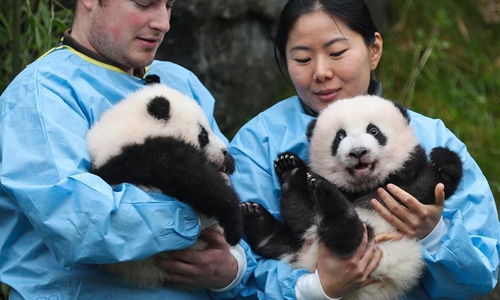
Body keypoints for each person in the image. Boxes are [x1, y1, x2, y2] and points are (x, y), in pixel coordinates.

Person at [229, 0, 500, 299]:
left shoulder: (431, 136)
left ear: (374, 50)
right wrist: (314, 289)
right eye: (303, 59)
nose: (321, 72)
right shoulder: (259, 141)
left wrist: (434, 235)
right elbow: (234, 273)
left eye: (337, 53)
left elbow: (481, 274)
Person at [0, 0, 256, 299]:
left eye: (169, 5)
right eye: (145, 3)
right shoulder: (42, 94)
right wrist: (205, 209)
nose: (163, 22)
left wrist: (232, 269)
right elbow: (81, 225)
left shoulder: (180, 82)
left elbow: (241, 199)